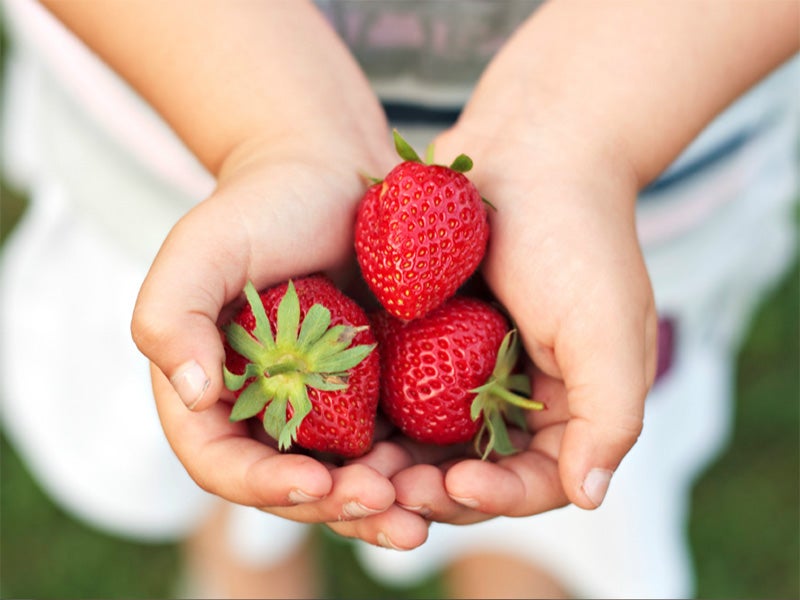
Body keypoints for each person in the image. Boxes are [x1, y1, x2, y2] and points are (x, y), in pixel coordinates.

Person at [0, 0, 796, 598]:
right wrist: (273, 130)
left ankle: (522, 563)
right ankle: (248, 546)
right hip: (179, 116)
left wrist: (577, 138)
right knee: (211, 373)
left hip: (639, 155)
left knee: (575, 414)